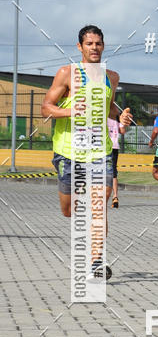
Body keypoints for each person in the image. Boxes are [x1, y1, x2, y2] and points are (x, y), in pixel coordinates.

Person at [41, 24, 133, 278]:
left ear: (104, 46)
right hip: (68, 152)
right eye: (89, 44)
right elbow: (46, 108)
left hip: (99, 151)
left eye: (99, 43)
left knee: (98, 206)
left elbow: (110, 109)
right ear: (80, 47)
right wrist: (72, 111)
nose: (95, 48)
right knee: (69, 209)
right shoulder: (66, 73)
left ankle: (95, 263)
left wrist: (121, 117)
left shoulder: (111, 77)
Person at [107, 115, 126, 208]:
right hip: (114, 146)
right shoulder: (118, 116)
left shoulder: (101, 114)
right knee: (113, 172)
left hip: (104, 146)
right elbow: (122, 131)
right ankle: (115, 197)